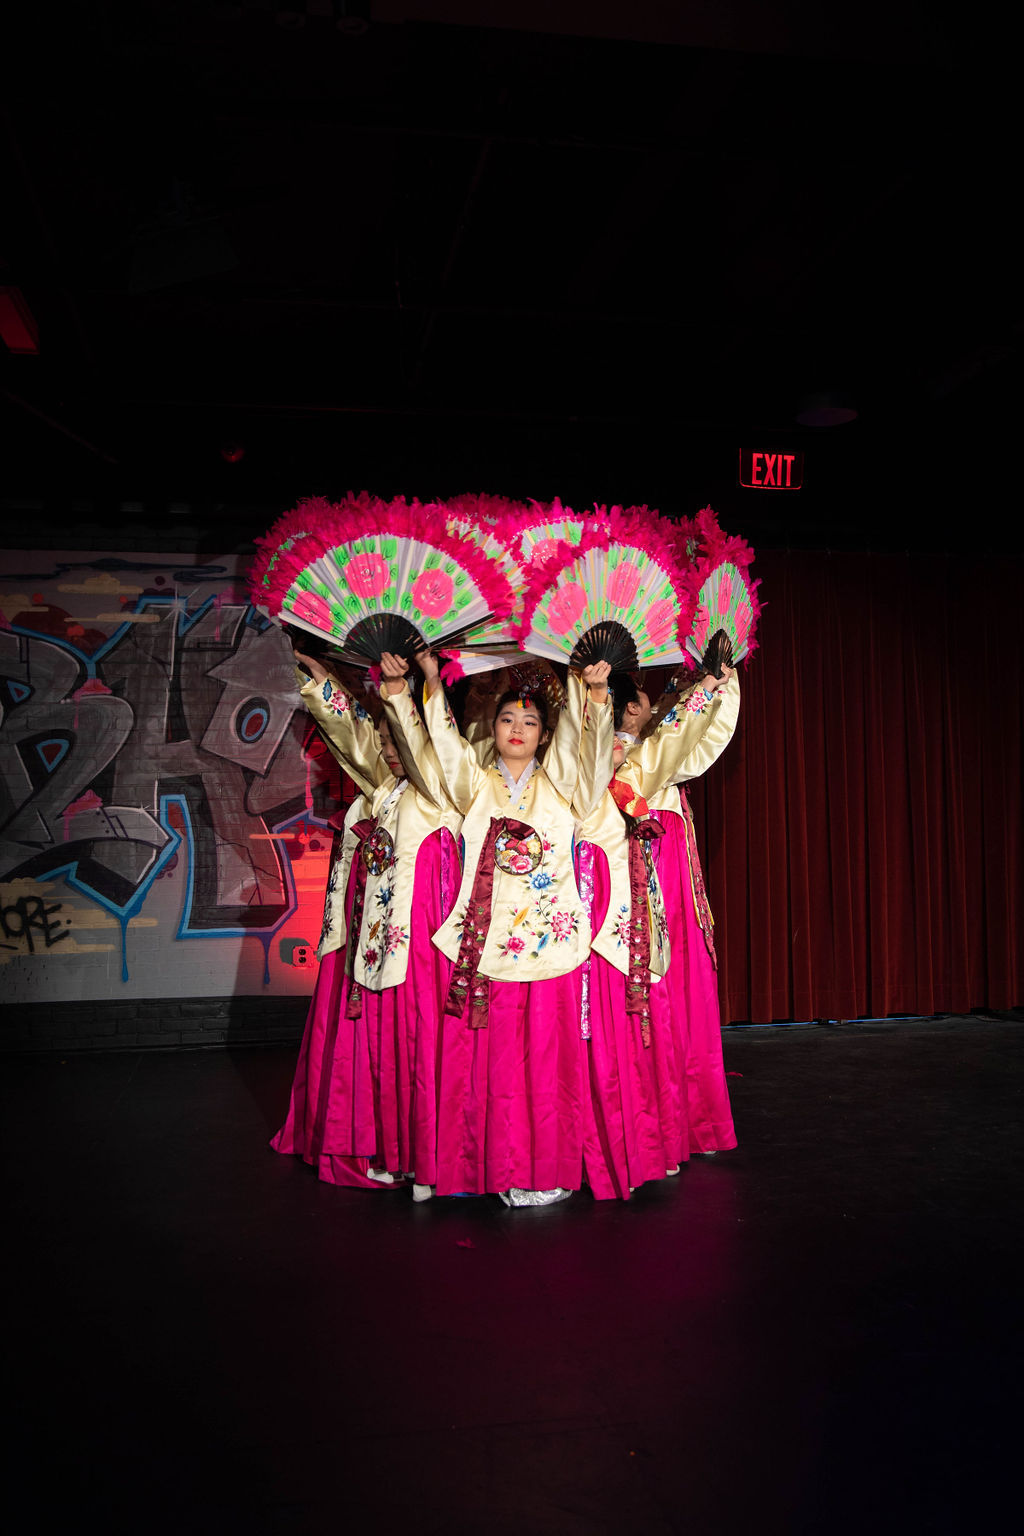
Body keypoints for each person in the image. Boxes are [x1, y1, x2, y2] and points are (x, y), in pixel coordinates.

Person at [386, 651, 612, 1204]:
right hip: (481, 946)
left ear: (545, 735)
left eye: (530, 722)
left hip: (550, 949)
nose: (517, 729)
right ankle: (475, 1168)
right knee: (484, 1065)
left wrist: (592, 695)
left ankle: (541, 1170)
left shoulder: (564, 785)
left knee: (545, 1067)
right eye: (508, 719)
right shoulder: (475, 784)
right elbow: (440, 745)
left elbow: (587, 753)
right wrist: (422, 683)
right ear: (492, 728)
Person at [272, 649, 462, 1198]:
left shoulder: (440, 791)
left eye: (396, 738)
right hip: (366, 939)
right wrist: (322, 680)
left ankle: (421, 1158)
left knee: (414, 1050)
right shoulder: (383, 790)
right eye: (384, 740)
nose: (388, 749)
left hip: (418, 949)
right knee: (376, 1049)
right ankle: (381, 1145)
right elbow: (351, 735)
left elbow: (417, 749)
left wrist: (403, 690)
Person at [612, 659, 740, 1168]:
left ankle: (675, 1118)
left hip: (662, 871)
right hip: (646, 875)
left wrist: (706, 684)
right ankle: (659, 1121)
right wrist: (707, 687)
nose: (653, 699)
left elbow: (690, 727)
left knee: (672, 985)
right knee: (660, 984)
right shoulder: (629, 754)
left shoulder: (648, 745)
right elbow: (683, 733)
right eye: (641, 696)